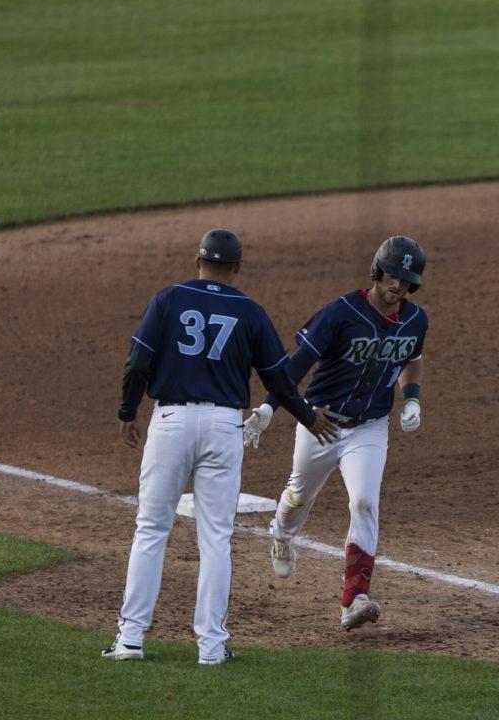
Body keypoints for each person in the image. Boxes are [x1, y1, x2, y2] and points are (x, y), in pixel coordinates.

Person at [102, 229, 337, 664]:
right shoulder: (249, 311)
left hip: (171, 420)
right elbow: (278, 379)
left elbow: (138, 362)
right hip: (224, 426)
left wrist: (126, 412)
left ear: (197, 262)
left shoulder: (168, 299)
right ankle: (211, 647)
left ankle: (130, 640)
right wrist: (308, 416)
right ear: (236, 268)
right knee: (215, 538)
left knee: (151, 529)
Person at [242, 236, 428, 631]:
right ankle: (281, 534)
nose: (399, 285)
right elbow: (294, 368)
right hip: (319, 423)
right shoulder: (340, 313)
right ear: (378, 272)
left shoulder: (416, 320)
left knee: (363, 502)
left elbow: (412, 359)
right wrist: (268, 409)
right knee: (297, 496)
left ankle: (354, 599)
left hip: (370, 428)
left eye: (407, 281)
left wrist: (412, 399)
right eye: (393, 275)